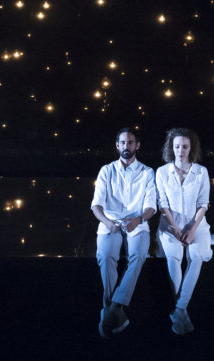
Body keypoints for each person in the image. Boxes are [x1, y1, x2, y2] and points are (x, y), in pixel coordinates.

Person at [91, 127, 157, 338]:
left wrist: (138, 219)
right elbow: (96, 206)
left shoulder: (147, 172)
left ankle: (111, 307)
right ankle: (115, 311)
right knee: (106, 256)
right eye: (122, 142)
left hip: (137, 224)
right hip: (110, 223)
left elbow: (151, 206)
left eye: (130, 142)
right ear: (117, 145)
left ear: (137, 145)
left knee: (138, 255)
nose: (126, 146)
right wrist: (108, 223)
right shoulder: (106, 170)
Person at [156, 127, 212, 334]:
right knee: (174, 257)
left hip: (197, 225)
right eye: (177, 146)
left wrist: (191, 230)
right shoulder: (162, 172)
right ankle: (181, 312)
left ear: (191, 148)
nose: (181, 150)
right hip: (171, 227)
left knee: (196, 256)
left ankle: (179, 308)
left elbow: (203, 204)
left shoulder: (201, 172)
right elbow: (162, 204)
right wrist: (177, 230)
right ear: (172, 148)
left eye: (185, 146)